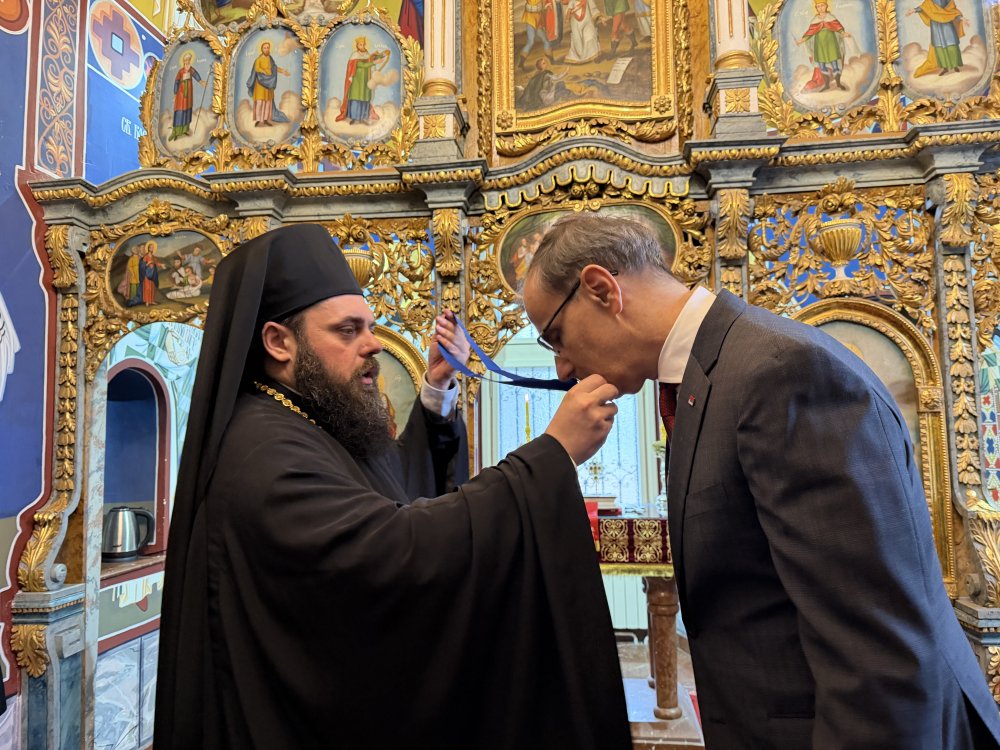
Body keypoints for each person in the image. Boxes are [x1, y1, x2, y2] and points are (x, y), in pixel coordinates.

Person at [521, 214, 1000, 749]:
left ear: (601, 289)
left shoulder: (781, 372)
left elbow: (880, 660)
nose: (563, 369)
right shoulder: (713, 373)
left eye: (556, 338)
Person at [154, 223, 631, 749]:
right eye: (348, 331)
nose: (373, 345)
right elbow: (391, 550)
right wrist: (551, 455)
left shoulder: (304, 418)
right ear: (278, 342)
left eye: (370, 327)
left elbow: (392, 482)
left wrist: (437, 388)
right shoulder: (261, 449)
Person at [796, 0, 850, 92]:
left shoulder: (830, 17)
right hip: (820, 45)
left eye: (822, 5)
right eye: (818, 6)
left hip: (831, 44)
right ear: (816, 8)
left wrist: (843, 33)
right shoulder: (815, 20)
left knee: (835, 64)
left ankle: (838, 83)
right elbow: (810, 32)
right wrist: (802, 40)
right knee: (822, 65)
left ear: (826, 6)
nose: (820, 8)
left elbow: (838, 27)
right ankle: (826, 85)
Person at [335, 36, 391, 125]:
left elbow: (373, 58)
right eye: (360, 44)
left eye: (363, 44)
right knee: (356, 98)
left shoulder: (367, 54)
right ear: (357, 45)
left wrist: (383, 55)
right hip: (356, 81)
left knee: (364, 98)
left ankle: (363, 118)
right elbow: (361, 65)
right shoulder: (354, 55)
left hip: (365, 80)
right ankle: (354, 118)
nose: (363, 46)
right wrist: (373, 62)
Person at [909, 0, 966, 76]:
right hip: (936, 27)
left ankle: (955, 66)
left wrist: (961, 18)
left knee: (952, 46)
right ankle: (945, 68)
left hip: (947, 26)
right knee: (939, 48)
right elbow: (924, 7)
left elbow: (953, 11)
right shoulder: (929, 1)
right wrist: (914, 10)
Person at [245, 40, 290, 127]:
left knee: (268, 102)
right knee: (260, 102)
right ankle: (259, 120)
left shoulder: (270, 59)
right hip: (260, 83)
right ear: (262, 49)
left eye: (267, 48)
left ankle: (265, 119)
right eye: (264, 48)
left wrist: (282, 71)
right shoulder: (258, 59)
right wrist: (264, 71)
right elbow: (257, 68)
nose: (266, 49)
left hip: (269, 83)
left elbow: (274, 68)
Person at [169, 51, 206, 141]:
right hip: (181, 94)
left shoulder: (191, 69)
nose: (187, 61)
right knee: (180, 110)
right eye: (186, 60)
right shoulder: (181, 71)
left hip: (189, 93)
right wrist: (175, 93)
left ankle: (185, 129)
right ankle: (176, 132)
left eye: (189, 60)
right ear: (183, 61)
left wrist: (200, 81)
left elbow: (196, 75)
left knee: (187, 110)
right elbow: (176, 82)